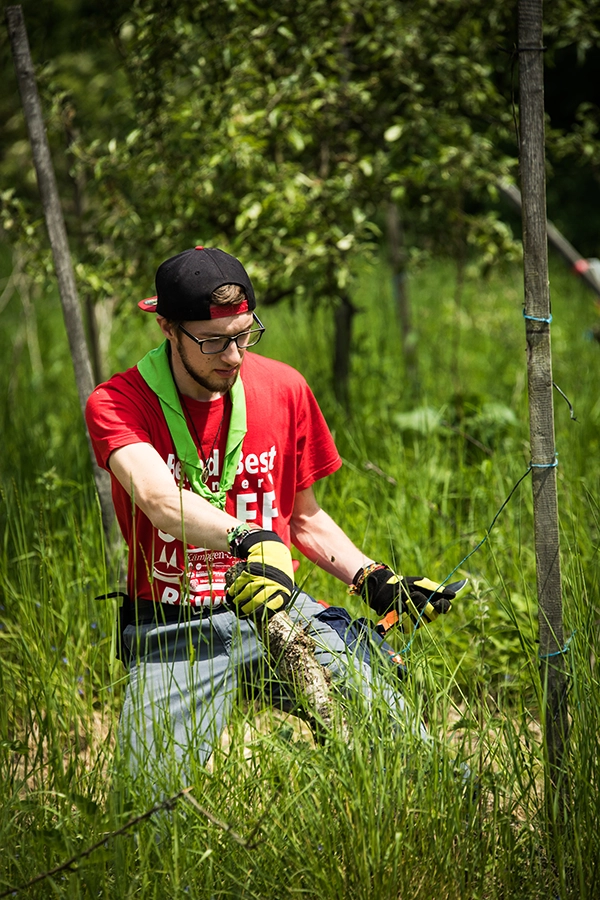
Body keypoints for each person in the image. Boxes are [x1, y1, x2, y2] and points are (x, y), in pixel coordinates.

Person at [86, 246, 459, 779]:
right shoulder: (119, 401)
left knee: (406, 740)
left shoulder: (284, 388)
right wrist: (250, 539)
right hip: (176, 626)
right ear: (167, 328)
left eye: (244, 334)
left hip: (281, 607)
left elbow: (303, 517)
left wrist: (371, 577)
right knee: (147, 803)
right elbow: (159, 500)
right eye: (212, 341)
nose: (233, 356)